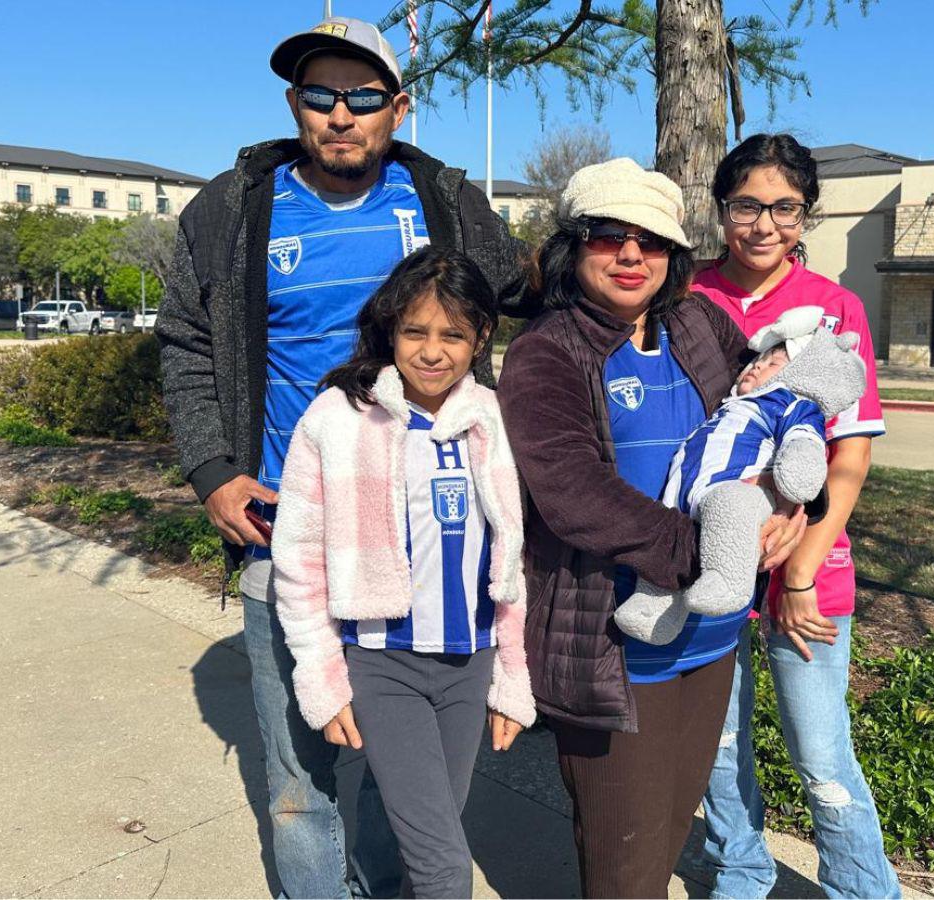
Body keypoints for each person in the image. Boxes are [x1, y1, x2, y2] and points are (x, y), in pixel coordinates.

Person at [155, 16, 530, 898]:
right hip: (291, 537)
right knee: (302, 788)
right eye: (320, 95)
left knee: (415, 800)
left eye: (363, 97)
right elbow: (184, 342)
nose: (340, 114)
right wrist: (213, 470)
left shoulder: (441, 199)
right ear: (295, 104)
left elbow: (519, 296)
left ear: (396, 108)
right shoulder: (233, 207)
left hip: (436, 555)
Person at [497, 157, 812, 898]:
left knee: (670, 827)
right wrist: (712, 551)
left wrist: (796, 507)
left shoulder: (699, 322)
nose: (632, 254)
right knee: (625, 860)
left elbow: (770, 411)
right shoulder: (548, 351)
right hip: (613, 646)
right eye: (609, 235)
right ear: (574, 246)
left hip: (709, 638)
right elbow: (572, 493)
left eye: (653, 240)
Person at [270, 247, 535, 899]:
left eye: (453, 334)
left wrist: (510, 674)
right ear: (389, 329)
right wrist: (322, 674)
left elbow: (511, 563)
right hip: (384, 665)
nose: (432, 350)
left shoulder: (493, 421)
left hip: (467, 665)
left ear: (480, 339)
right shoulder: (337, 418)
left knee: (427, 836)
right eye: (416, 331)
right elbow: (299, 557)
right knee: (443, 861)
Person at [691, 133, 900, 899]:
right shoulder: (683, 297)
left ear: (806, 213)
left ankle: (863, 888)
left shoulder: (835, 308)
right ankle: (739, 874)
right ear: (721, 209)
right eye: (746, 204)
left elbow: (849, 455)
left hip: (804, 573)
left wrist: (803, 566)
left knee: (820, 753)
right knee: (717, 746)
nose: (763, 224)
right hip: (706, 559)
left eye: (783, 206)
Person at [615, 306, 867, 646]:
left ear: (801, 373)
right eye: (757, 362)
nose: (758, 366)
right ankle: (653, 609)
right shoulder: (730, 403)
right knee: (669, 526)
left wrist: (798, 479)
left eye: (772, 364)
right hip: (687, 490)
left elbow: (805, 439)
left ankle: (728, 580)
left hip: (741, 489)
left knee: (730, 508)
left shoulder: (789, 403)